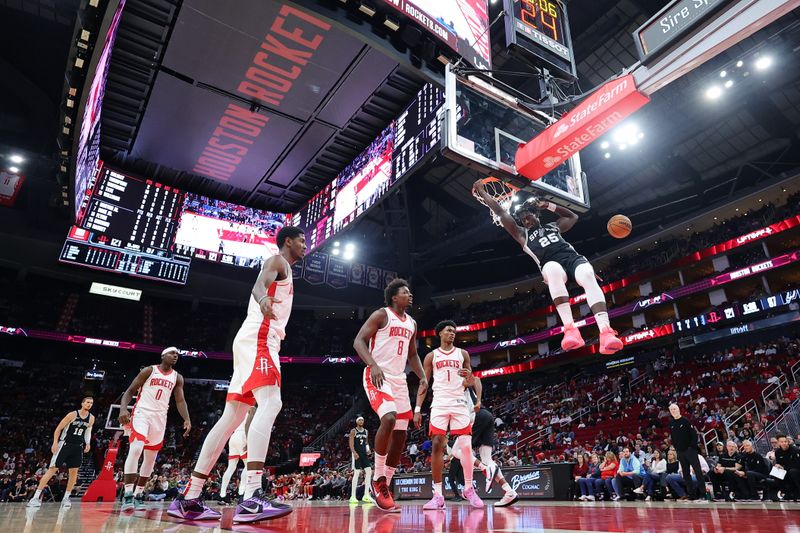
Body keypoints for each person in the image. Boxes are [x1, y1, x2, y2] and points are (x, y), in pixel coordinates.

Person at [170, 226, 305, 523]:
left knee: (231, 418)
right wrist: (262, 300)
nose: (305, 245)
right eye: (301, 240)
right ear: (287, 242)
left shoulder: (287, 270)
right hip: (260, 337)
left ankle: (190, 497)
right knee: (271, 403)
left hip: (253, 338)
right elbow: (258, 285)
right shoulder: (277, 261)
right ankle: (252, 497)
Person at [472, 180, 622, 354]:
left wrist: (549, 205)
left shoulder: (554, 226)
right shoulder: (522, 235)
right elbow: (499, 211)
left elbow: (573, 217)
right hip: (551, 265)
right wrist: (482, 191)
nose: (526, 220)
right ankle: (570, 330)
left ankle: (606, 333)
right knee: (551, 269)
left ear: (537, 215)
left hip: (572, 260)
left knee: (588, 274)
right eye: (523, 219)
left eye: (529, 216)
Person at [354, 278, 428, 512]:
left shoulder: (412, 323)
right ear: (394, 297)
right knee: (388, 418)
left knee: (401, 436)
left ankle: (385, 480)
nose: (410, 295)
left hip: (399, 380)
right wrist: (373, 364)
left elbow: (413, 354)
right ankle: (377, 480)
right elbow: (358, 342)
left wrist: (423, 375)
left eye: (410, 291)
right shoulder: (381, 315)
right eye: (405, 292)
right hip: (377, 375)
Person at [414, 320, 483, 510]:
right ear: (440, 334)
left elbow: (471, 380)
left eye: (454, 331)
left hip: (459, 402)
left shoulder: (463, 354)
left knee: (467, 446)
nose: (452, 333)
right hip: (439, 403)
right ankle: (438, 495)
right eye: (448, 331)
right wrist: (418, 409)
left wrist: (468, 376)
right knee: (437, 444)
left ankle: (469, 488)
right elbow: (424, 384)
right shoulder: (431, 356)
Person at [118, 347, 191, 511]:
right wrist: (123, 409)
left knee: (150, 457)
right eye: (172, 353)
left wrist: (186, 418)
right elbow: (130, 391)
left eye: (177, 355)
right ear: (163, 355)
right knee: (136, 448)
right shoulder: (149, 370)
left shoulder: (177, 377)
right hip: (142, 413)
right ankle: (128, 493)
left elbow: (180, 401)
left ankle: (139, 493)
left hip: (160, 417)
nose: (175, 356)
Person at [27, 397, 95, 508]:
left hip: (78, 447)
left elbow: (88, 431)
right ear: (82, 403)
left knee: (74, 473)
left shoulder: (91, 418)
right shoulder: (72, 415)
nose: (89, 404)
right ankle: (35, 497)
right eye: (87, 402)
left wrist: (88, 443)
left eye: (91, 403)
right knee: (52, 469)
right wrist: (55, 443)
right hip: (65, 445)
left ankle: (66, 498)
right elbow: (58, 429)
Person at [464, 376, 518, 507]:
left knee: (459, 451)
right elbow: (476, 379)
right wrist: (479, 401)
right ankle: (509, 491)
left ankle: (486, 469)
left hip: (475, 417)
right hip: (487, 415)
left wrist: (477, 402)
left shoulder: (455, 382)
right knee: (487, 458)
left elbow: (476, 379)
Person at [668, 403, 707, 500]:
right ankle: (691, 494)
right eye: (672, 410)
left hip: (690, 451)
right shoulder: (671, 423)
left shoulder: (685, 421)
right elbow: (673, 437)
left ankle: (703, 494)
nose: (673, 411)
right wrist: (676, 448)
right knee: (686, 474)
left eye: (675, 409)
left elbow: (694, 435)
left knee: (698, 471)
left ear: (678, 410)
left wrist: (691, 447)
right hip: (680, 452)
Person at [220, 407, 256, 504]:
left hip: (233, 436)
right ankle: (242, 493)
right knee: (248, 465)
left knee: (231, 467)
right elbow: (248, 424)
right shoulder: (252, 408)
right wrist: (248, 439)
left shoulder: (239, 408)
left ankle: (222, 495)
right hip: (242, 436)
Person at [348, 416, 374, 504]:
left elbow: (366, 442)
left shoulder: (366, 431)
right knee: (356, 473)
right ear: (356, 421)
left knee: (369, 471)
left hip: (364, 454)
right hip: (357, 454)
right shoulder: (353, 431)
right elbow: (351, 443)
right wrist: (354, 452)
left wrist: (368, 449)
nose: (361, 421)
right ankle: (353, 496)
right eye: (359, 420)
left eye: (362, 419)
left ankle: (366, 495)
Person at [773, 434, 800, 499]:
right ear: (778, 443)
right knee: (775, 473)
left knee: (792, 471)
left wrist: (784, 468)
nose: (784, 443)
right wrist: (777, 465)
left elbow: (797, 464)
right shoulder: (777, 452)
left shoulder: (795, 450)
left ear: (788, 442)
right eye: (782, 442)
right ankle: (786, 493)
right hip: (786, 470)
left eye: (785, 441)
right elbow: (779, 463)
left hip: (796, 470)